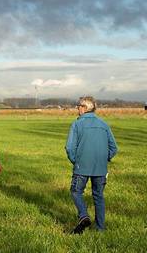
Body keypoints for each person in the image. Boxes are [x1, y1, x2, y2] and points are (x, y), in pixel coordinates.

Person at [65, 96, 118, 234]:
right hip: (100, 168)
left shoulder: (76, 124)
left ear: (84, 108)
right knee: (98, 196)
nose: (77, 108)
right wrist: (103, 159)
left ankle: (83, 216)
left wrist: (75, 160)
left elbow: (70, 147)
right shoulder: (104, 124)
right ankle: (100, 228)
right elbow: (114, 148)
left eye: (78, 106)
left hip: (81, 167)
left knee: (76, 191)